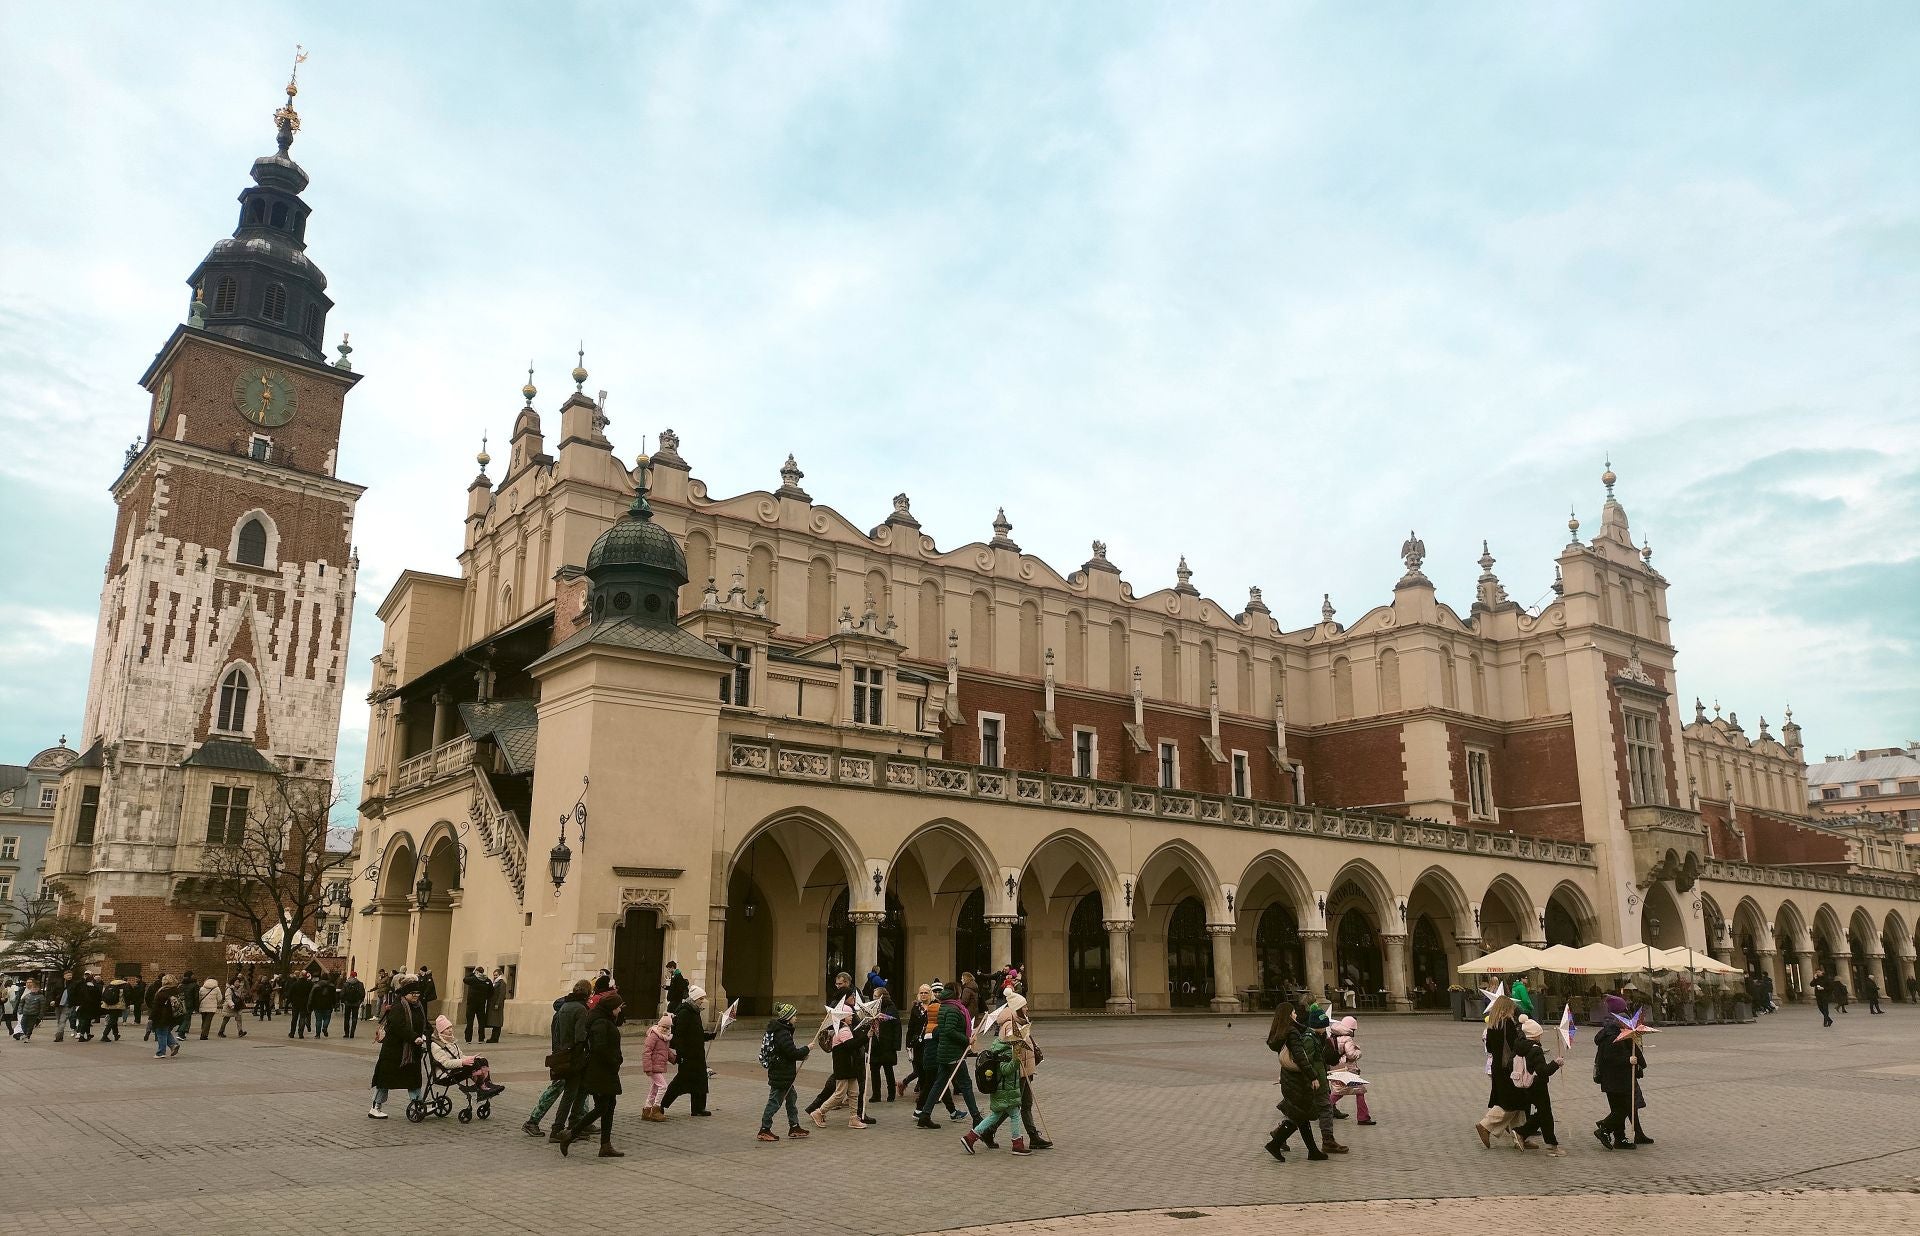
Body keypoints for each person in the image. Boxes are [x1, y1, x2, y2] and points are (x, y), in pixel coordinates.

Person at [558, 991, 627, 1157]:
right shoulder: (601, 1022)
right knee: (603, 1107)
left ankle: (605, 1145)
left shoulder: (603, 1019)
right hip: (600, 1071)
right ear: (611, 1008)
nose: (619, 1011)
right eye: (618, 1008)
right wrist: (615, 1060)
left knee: (609, 1106)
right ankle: (571, 1133)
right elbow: (600, 1048)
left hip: (606, 1071)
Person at [525, 980, 595, 1140]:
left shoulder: (563, 1008)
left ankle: (577, 1123)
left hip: (563, 1054)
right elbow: (576, 1037)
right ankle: (534, 1121)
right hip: (568, 1057)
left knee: (578, 1089)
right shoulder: (577, 1009)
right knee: (561, 1089)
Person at [1265, 1003, 1328, 1162]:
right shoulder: (1292, 1032)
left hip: (1288, 1076)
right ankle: (1275, 1143)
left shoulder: (1279, 1033)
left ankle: (1313, 1151)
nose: (1295, 1015)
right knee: (1298, 1115)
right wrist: (1313, 1076)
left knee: (1301, 1115)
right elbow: (1301, 1057)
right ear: (1288, 1015)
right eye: (1293, 1012)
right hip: (1297, 1078)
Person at [915, 980, 981, 1129]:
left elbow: (940, 1030)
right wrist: (967, 1039)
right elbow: (949, 1031)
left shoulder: (944, 1006)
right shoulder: (952, 1009)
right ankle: (976, 1117)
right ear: (956, 993)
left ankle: (925, 1115)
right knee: (966, 1085)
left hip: (945, 1052)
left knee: (938, 1085)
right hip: (953, 1053)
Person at [958, 1027, 1031, 1155]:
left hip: (1004, 1090)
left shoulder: (1001, 1048)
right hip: (1005, 1091)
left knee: (995, 1116)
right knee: (1013, 1115)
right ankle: (1017, 1144)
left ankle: (970, 1137)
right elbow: (1006, 1070)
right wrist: (1016, 1060)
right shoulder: (1005, 1052)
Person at [999, 987, 1053, 1150]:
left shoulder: (1022, 1023)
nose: (1027, 1008)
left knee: (1026, 1104)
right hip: (1018, 1071)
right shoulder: (1010, 1025)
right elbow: (1012, 1046)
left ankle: (1033, 1136)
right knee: (1012, 1105)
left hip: (1026, 1070)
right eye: (1025, 1006)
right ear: (1017, 1009)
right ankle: (987, 1130)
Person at [369, 979, 426, 1119]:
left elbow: (424, 1024)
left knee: (413, 1078)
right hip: (394, 1050)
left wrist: (431, 1035)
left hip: (411, 1051)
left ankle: (418, 1104)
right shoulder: (398, 1006)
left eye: (418, 993)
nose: (416, 996)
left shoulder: (418, 1006)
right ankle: (375, 1107)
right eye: (413, 993)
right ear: (406, 993)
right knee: (385, 1079)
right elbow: (398, 1026)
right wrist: (414, 1037)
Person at [1475, 994, 1526, 1148]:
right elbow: (1515, 1045)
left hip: (1497, 1065)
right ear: (1507, 1008)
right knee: (1510, 1101)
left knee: (1518, 1101)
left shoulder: (1492, 1025)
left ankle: (1520, 1134)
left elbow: (1489, 1048)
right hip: (1508, 1067)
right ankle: (1486, 1125)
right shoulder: (1508, 1024)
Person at [660, 985, 718, 1117]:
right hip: (688, 1055)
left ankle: (698, 1108)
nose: (702, 1001)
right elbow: (679, 1035)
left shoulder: (694, 1012)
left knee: (700, 1082)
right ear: (695, 998)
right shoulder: (685, 1012)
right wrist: (681, 1054)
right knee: (680, 1082)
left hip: (697, 1054)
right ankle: (662, 1104)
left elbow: (695, 1033)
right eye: (701, 998)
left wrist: (708, 1036)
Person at [1592, 994, 1639, 1150]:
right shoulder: (1613, 1035)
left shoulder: (1610, 1031)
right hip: (1617, 1079)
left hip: (1611, 1079)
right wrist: (1628, 1060)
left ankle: (1620, 1138)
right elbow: (1610, 1058)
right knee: (1624, 1108)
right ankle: (1604, 1128)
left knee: (1618, 1108)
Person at [1512, 1016, 1564, 1155]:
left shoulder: (1519, 1045)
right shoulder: (1535, 1050)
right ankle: (1551, 1145)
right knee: (1546, 1115)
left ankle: (1523, 1134)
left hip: (1525, 1084)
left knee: (1543, 1114)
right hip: (1537, 1085)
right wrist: (1556, 1064)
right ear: (1535, 1035)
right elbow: (1543, 1071)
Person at [429, 1015, 505, 1094]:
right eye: (447, 1028)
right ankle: (481, 1087)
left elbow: (460, 1056)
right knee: (473, 1064)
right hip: (445, 1074)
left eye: (451, 1027)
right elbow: (445, 1063)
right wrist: (462, 1062)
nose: (450, 1030)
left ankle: (487, 1083)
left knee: (482, 1060)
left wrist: (472, 1057)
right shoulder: (436, 1045)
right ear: (441, 1031)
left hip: (454, 1068)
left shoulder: (451, 1040)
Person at [1327, 1015, 1373, 1126]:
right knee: (1358, 1091)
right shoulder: (1347, 1039)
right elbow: (1351, 1055)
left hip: (1336, 1067)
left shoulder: (1334, 1035)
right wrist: (1358, 1051)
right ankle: (1363, 1117)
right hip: (1348, 1069)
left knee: (1339, 1091)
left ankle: (1322, 1109)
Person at [868, 979, 900, 1102]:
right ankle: (876, 1094)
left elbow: (896, 1028)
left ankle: (891, 1093)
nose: (873, 998)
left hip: (887, 1045)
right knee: (874, 1071)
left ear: (882, 997)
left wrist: (895, 1045)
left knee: (888, 1071)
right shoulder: (872, 1008)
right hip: (875, 1044)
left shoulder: (891, 1008)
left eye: (875, 996)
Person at [640, 1011, 674, 1122]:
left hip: (658, 1066)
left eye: (667, 1027)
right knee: (663, 1086)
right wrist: (648, 1068)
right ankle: (656, 1109)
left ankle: (646, 1110)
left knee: (654, 1089)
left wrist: (674, 1058)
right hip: (653, 1067)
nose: (664, 1029)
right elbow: (646, 1052)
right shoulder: (653, 1036)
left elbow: (666, 1051)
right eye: (663, 1026)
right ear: (659, 1025)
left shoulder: (665, 1038)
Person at [150, 975, 182, 1058]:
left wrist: (151, 1017)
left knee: (161, 1033)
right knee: (165, 1031)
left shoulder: (162, 992)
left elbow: (156, 1007)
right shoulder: (176, 991)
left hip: (162, 1016)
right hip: (173, 1015)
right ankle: (173, 1044)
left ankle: (161, 1052)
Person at [312, 972, 339, 1037]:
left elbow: (312, 996)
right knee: (327, 1018)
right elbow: (334, 997)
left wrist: (311, 1004)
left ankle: (317, 1034)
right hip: (328, 1005)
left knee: (318, 1020)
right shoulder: (332, 986)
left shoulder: (316, 986)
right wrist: (335, 1004)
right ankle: (325, 1027)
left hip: (317, 1005)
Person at [340, 972, 366, 1039]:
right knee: (354, 1018)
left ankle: (346, 1033)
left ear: (350, 976)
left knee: (347, 1018)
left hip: (347, 1003)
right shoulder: (360, 984)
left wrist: (344, 1001)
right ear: (356, 976)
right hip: (356, 1004)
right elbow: (362, 994)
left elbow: (342, 994)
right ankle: (352, 1033)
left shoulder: (346, 984)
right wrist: (360, 1001)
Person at [485, 967, 507, 1044]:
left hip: (497, 1005)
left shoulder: (501, 982)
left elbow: (501, 994)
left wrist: (497, 1003)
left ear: (500, 975)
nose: (494, 977)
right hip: (493, 1004)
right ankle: (493, 1037)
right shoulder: (496, 982)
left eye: (496, 975)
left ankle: (495, 1038)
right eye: (494, 975)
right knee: (494, 1022)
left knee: (497, 1023)